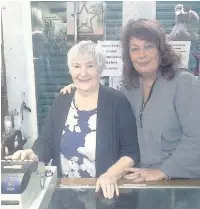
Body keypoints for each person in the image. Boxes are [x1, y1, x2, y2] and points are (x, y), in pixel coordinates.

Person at [60, 19, 200, 181]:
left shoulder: (183, 82)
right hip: (136, 179)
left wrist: (162, 171)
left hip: (176, 183)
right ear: (128, 55)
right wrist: (81, 87)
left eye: (148, 46)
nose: (142, 55)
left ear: (161, 50)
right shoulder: (128, 87)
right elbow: (108, 105)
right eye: (135, 49)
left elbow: (196, 137)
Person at [5, 40, 140, 199]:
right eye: (77, 66)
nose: (83, 73)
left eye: (90, 66)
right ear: (70, 70)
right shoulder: (62, 100)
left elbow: (131, 153)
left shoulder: (117, 102)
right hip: (64, 194)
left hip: (104, 195)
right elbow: (46, 142)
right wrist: (33, 154)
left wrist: (110, 175)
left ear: (100, 69)